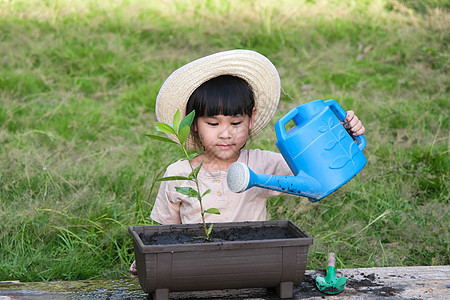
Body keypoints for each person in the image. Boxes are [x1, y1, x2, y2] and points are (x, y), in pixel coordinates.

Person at [129, 50, 365, 276]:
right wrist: (149, 260)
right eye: (213, 124)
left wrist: (344, 134)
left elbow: (317, 173)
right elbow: (164, 233)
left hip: (252, 266)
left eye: (235, 123)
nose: (225, 134)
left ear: (251, 118)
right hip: (194, 269)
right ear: (193, 124)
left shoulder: (262, 164)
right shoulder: (179, 173)